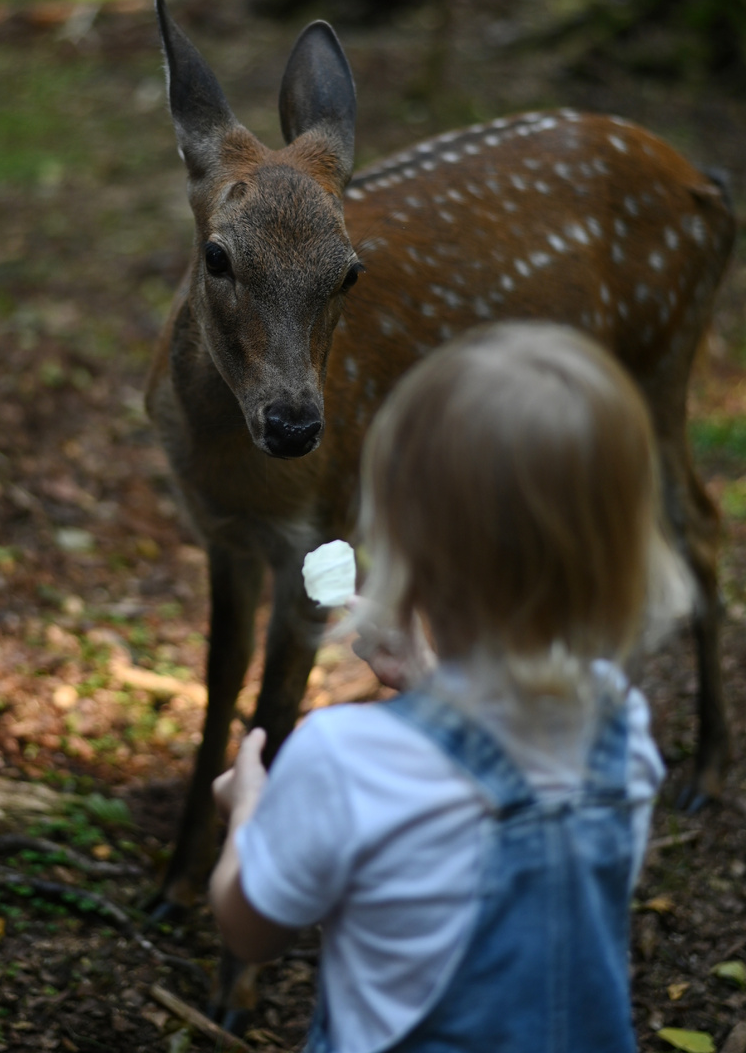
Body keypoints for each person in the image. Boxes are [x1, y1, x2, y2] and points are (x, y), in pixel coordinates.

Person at [211, 321, 691, 1053]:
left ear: (405, 540)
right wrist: (429, 683)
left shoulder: (344, 760)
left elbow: (252, 929)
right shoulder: (618, 727)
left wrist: (248, 812)